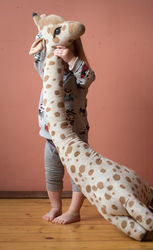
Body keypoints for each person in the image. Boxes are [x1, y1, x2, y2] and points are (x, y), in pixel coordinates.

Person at [31, 14, 95, 224]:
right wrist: (42, 36)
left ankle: (74, 211)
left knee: (78, 174)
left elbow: (88, 76)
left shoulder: (77, 76)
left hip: (75, 136)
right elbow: (38, 56)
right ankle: (56, 207)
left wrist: (71, 60)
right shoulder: (47, 72)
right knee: (52, 173)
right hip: (50, 136)